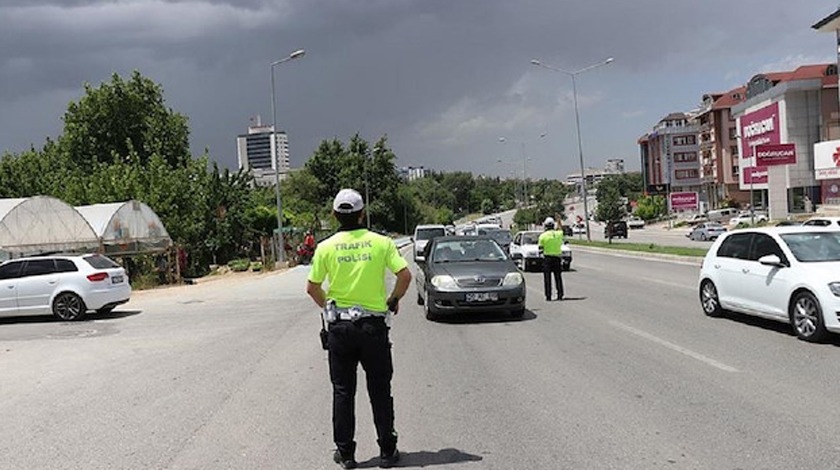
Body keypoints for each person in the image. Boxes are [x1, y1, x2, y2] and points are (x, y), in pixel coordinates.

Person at [306, 188, 412, 469]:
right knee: (379, 389)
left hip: (340, 328)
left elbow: (312, 287)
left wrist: (328, 307)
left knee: (342, 391)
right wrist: (393, 300)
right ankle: (388, 451)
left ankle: (347, 454)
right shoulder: (381, 243)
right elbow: (405, 275)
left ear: (334, 215)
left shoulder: (326, 246)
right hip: (373, 328)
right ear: (362, 213)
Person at [538, 216, 565, 301]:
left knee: (547, 278)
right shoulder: (559, 234)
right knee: (558, 277)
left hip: (547, 259)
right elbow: (560, 228)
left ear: (545, 226)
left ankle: (548, 295)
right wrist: (559, 220)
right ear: (553, 225)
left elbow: (540, 249)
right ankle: (560, 294)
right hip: (557, 258)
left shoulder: (542, 236)